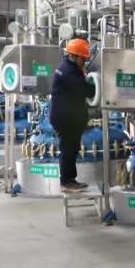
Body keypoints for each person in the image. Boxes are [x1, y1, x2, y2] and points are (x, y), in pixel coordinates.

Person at [49, 38, 96, 193]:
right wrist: (97, 85)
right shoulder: (69, 71)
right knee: (68, 149)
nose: (84, 62)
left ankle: (70, 180)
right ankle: (66, 182)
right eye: (83, 58)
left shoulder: (67, 67)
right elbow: (86, 90)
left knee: (71, 148)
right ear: (74, 56)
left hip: (67, 117)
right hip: (65, 118)